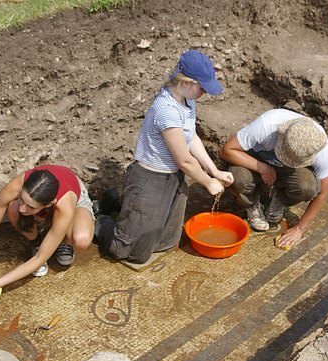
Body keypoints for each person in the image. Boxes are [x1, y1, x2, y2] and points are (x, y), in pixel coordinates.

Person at [95, 50, 234, 264]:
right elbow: (185, 160)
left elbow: (191, 137)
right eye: (202, 88)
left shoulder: (188, 100)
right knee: (132, 252)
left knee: (166, 242)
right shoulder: (166, 110)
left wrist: (214, 170)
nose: (204, 93)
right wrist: (208, 182)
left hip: (174, 177)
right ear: (186, 83)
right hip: (150, 177)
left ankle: (121, 201)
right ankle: (99, 219)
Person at [0, 164, 95, 300]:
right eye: (21, 198)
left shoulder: (65, 206)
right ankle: (37, 241)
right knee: (13, 208)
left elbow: (40, 258)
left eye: (30, 206)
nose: (22, 208)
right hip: (45, 202)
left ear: (49, 204)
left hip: (73, 196)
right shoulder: (15, 186)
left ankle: (63, 239)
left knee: (81, 239)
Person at [219, 109, 328, 249]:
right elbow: (227, 151)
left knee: (308, 187)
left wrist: (300, 229)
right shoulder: (267, 125)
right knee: (238, 179)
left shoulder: (318, 146)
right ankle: (251, 204)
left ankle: (280, 200)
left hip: (288, 172)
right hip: (255, 160)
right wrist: (262, 168)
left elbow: (323, 193)